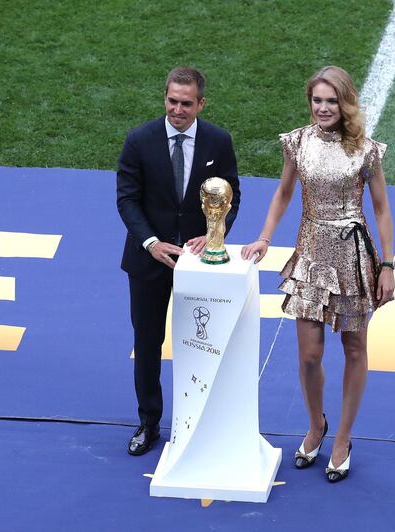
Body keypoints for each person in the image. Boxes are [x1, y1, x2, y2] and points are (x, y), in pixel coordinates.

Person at [242, 66, 395, 482]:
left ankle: (343, 436)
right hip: (310, 254)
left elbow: (381, 209)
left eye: (331, 101)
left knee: (354, 351)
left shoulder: (366, 150)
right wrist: (264, 238)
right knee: (309, 355)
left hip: (353, 256)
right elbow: (284, 193)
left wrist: (388, 264)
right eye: (317, 100)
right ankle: (316, 424)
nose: (323, 108)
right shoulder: (297, 143)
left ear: (345, 103)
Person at [117, 67, 240, 456]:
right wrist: (151, 242)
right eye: (172, 101)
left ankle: (202, 424)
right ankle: (149, 423)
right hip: (150, 262)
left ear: (201, 103)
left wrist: (215, 232)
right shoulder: (140, 140)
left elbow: (231, 193)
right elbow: (127, 199)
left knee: (203, 344)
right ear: (165, 98)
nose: (178, 110)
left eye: (187, 103)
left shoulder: (218, 142)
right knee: (148, 343)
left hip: (200, 264)